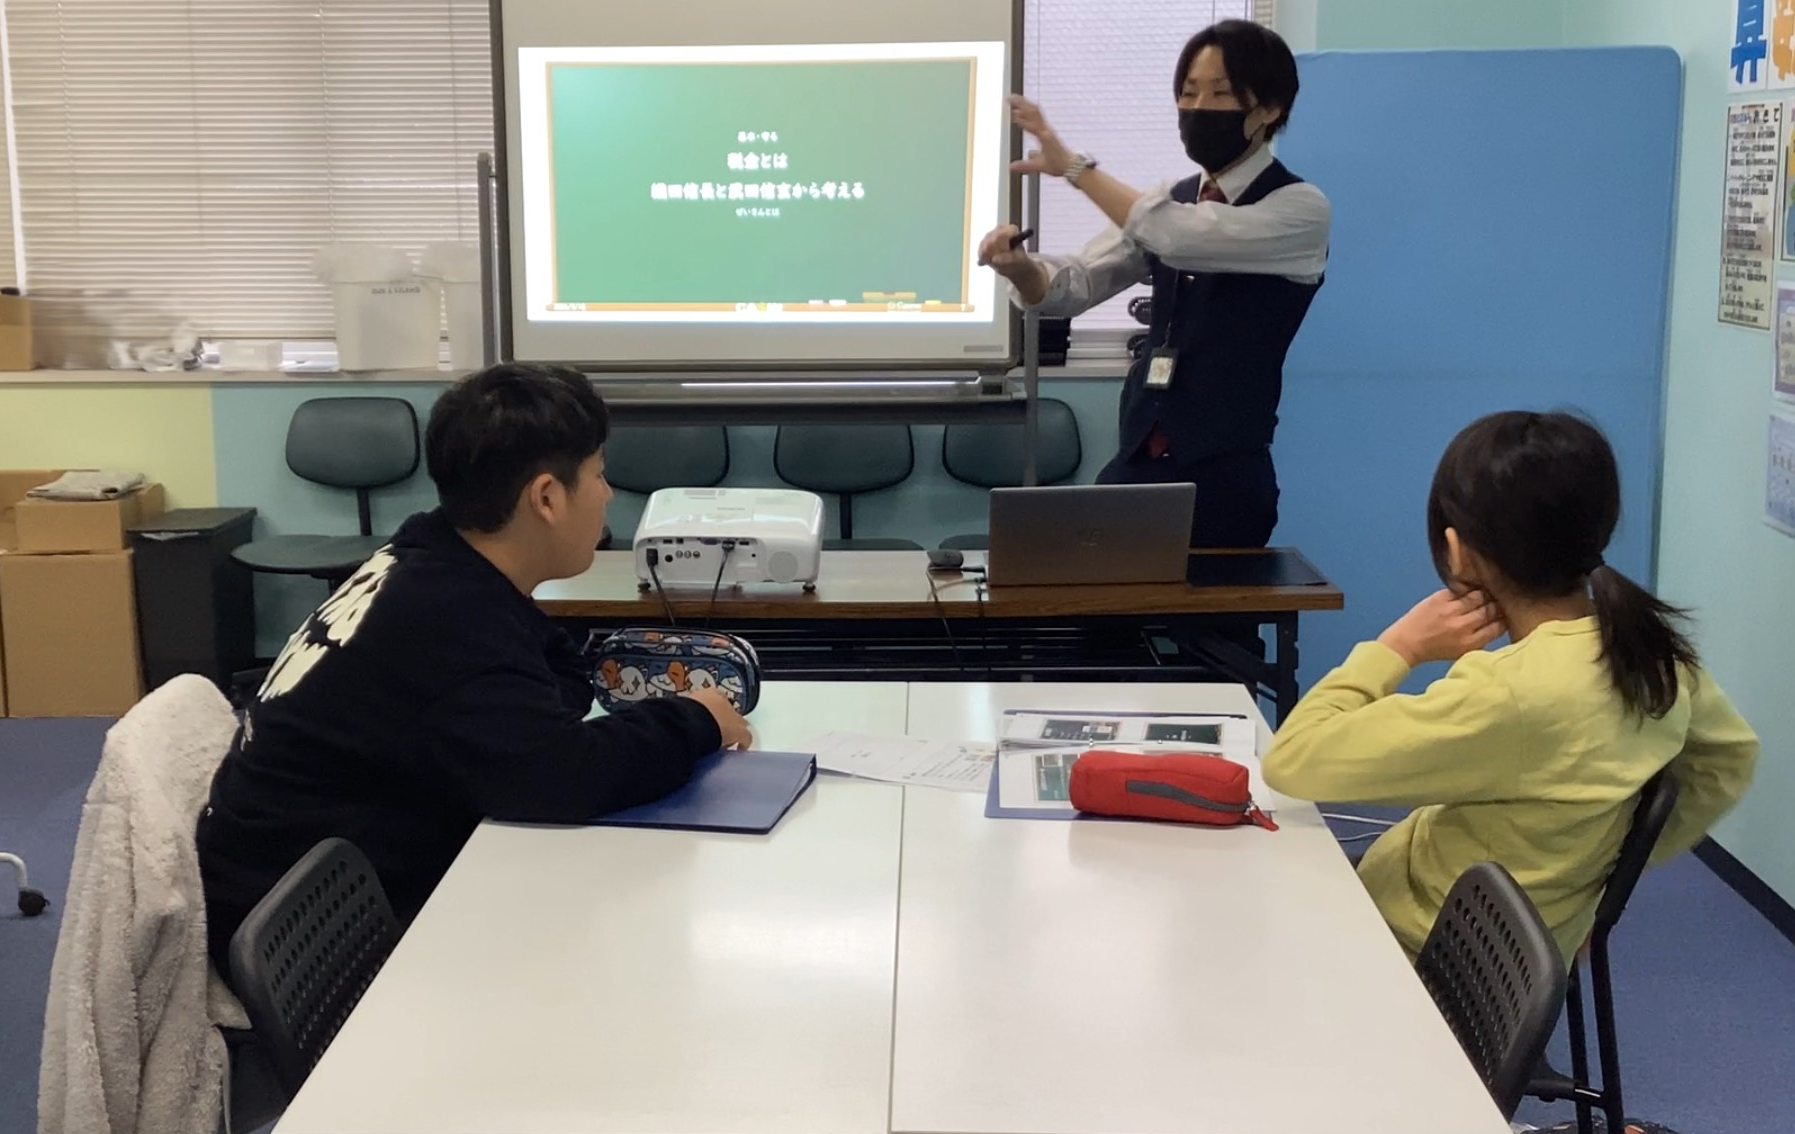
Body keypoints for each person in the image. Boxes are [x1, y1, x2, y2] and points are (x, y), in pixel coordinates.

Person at [197, 363, 750, 979]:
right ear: (546, 498)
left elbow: (546, 686)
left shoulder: (428, 557)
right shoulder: (444, 616)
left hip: (304, 876)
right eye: (598, 474)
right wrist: (695, 720)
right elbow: (562, 776)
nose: (607, 495)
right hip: (308, 938)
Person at [1262, 411, 1759, 962]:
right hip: (1513, 948)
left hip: (1412, 948)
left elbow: (1294, 758)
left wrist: (1399, 646)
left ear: (1458, 550)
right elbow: (1729, 757)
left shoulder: (1508, 695)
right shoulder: (1655, 656)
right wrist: (1606, 890)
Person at [978, 19, 1330, 548]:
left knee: (1216, 604)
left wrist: (1075, 168)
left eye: (1220, 93)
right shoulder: (1173, 198)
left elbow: (1182, 237)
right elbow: (1077, 284)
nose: (1198, 108)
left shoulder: (1299, 208)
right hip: (1139, 457)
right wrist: (1020, 269)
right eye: (1188, 93)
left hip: (1225, 472)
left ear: (1269, 109)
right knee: (1077, 590)